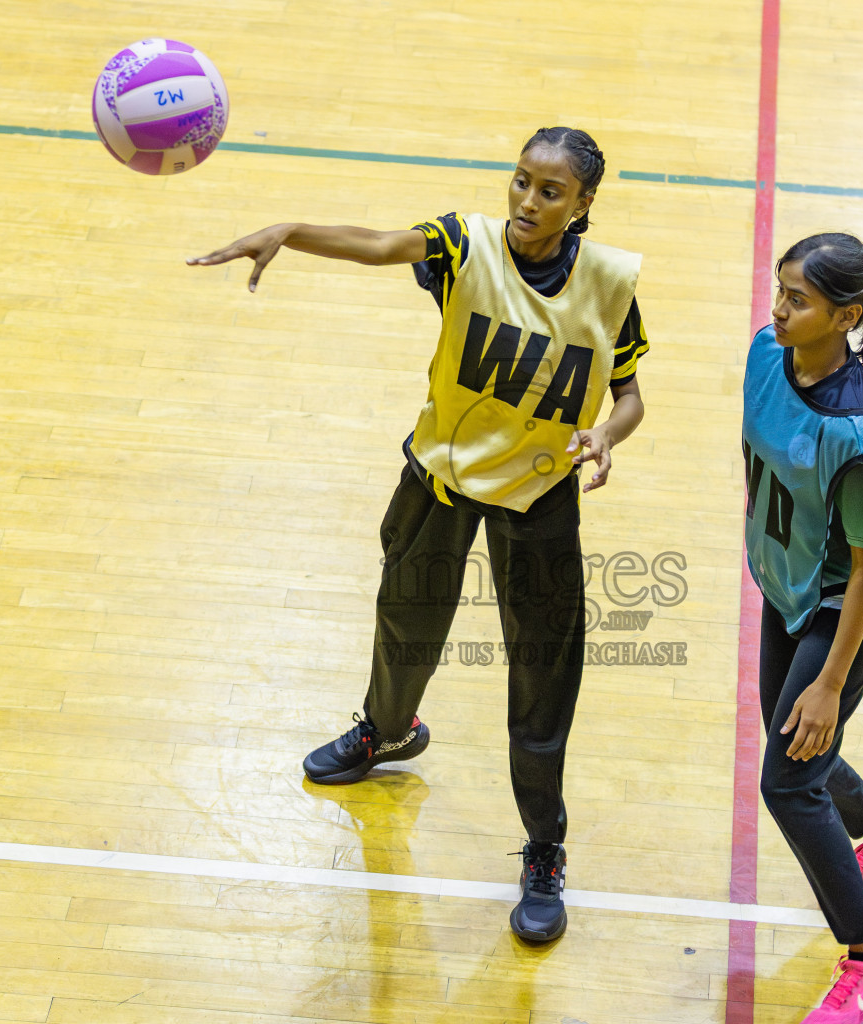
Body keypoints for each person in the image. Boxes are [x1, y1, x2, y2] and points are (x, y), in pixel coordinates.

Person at [188, 127, 648, 944]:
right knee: (404, 627)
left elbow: (630, 393)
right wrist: (290, 231)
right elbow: (378, 243)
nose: (527, 202)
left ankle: (544, 848)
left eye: (550, 192)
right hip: (440, 477)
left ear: (582, 206)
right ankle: (387, 732)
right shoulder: (463, 244)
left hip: (540, 496)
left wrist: (609, 433)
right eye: (520, 181)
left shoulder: (609, 282)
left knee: (543, 677)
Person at [742, 233, 863, 1022]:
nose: (778, 309)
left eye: (798, 299)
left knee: (788, 780)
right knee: (791, 740)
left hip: (843, 603)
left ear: (846, 316)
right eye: (779, 290)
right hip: (787, 581)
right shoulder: (767, 352)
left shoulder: (856, 434)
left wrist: (829, 683)